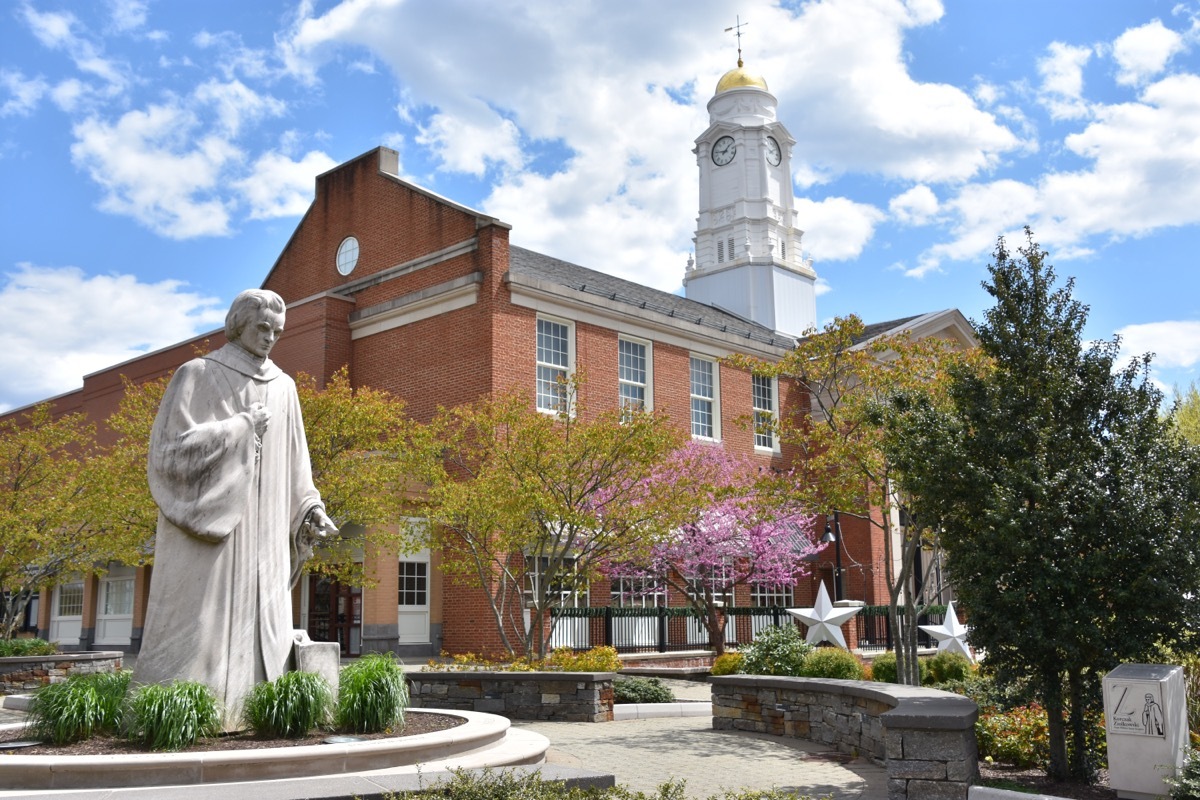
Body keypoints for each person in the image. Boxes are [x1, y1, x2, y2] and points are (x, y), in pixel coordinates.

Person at [133, 289, 338, 728]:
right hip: (219, 528)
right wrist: (241, 427)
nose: (269, 338)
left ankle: (260, 713)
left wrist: (310, 508)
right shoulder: (198, 374)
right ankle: (185, 715)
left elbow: (297, 462)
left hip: (267, 533)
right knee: (203, 621)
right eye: (261, 328)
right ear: (238, 324)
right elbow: (169, 453)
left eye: (277, 332)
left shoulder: (285, 388)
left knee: (266, 624)